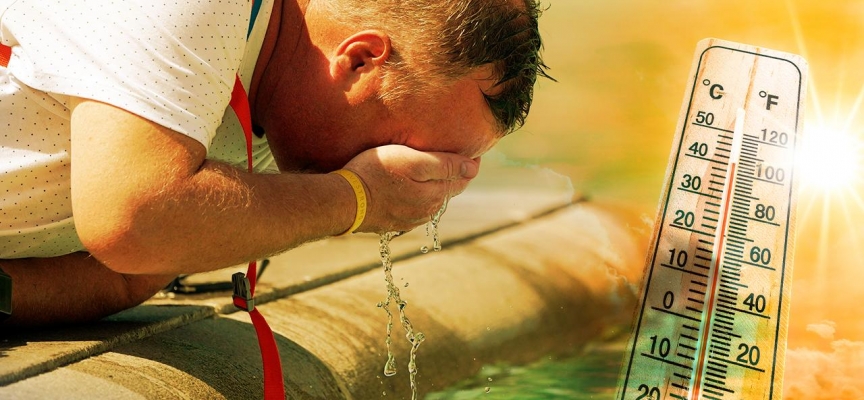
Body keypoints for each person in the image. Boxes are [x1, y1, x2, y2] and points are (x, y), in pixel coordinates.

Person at [0, 0, 549, 327]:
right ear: (359, 59)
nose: (414, 171)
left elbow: (125, 278)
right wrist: (356, 199)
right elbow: (136, 220)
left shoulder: (283, 118)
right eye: (414, 145)